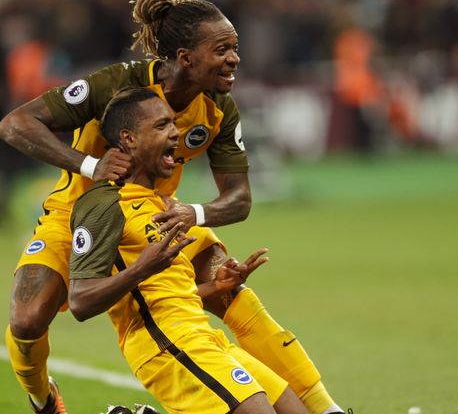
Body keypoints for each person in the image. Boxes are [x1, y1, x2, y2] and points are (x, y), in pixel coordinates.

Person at [0, 0, 343, 414]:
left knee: (234, 292)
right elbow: (15, 124)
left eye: (235, 48)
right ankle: (42, 398)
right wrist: (90, 166)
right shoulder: (117, 85)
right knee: (28, 320)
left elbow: (238, 198)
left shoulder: (217, 107)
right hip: (78, 212)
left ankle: (326, 409)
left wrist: (191, 213)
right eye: (222, 50)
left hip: (156, 214)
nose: (235, 59)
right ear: (185, 57)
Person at [68, 87, 308, 414]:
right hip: (165, 345)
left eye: (173, 125)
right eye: (161, 126)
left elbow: (164, 294)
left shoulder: (166, 204)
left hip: (204, 336)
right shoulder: (104, 205)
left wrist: (213, 287)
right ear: (129, 138)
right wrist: (141, 268)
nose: (175, 133)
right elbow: (80, 301)